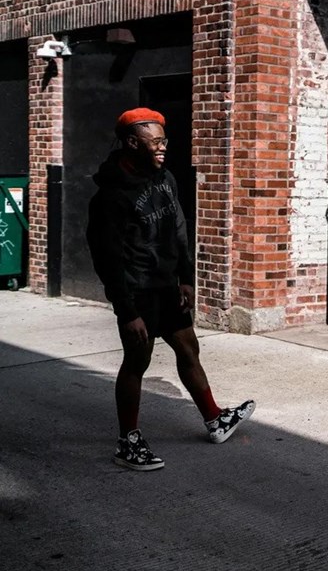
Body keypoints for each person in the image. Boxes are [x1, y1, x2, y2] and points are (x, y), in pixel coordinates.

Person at [87, 108, 255, 471]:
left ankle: (215, 419)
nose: (163, 147)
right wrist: (126, 310)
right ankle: (127, 443)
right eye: (156, 141)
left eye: (165, 140)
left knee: (188, 347)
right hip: (137, 291)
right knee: (137, 362)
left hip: (166, 286)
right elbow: (107, 258)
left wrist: (186, 276)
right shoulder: (110, 198)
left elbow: (178, 229)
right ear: (133, 143)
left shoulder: (165, 179)